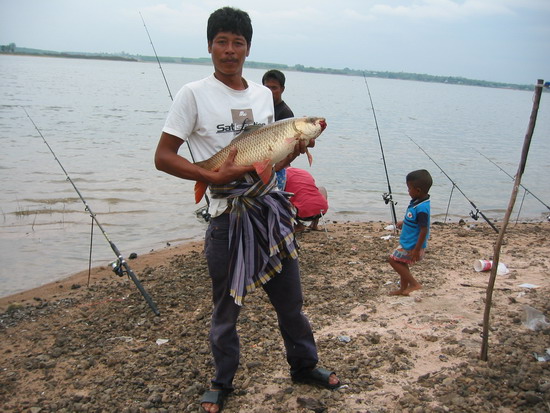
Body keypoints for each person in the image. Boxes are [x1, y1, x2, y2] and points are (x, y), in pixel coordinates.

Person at [154, 7, 341, 413]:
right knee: (227, 307)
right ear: (210, 46)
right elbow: (164, 157)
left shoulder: (261, 95)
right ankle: (222, 382)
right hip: (226, 217)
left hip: (270, 213)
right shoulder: (192, 94)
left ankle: (304, 364)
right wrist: (212, 177)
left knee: (290, 300)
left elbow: (270, 161)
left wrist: (294, 149)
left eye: (238, 42)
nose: (229, 50)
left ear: (248, 48)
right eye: (221, 41)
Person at [388, 169, 432, 296]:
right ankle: (403, 289)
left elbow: (424, 229)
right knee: (402, 263)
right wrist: (404, 223)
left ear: (417, 190)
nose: (408, 191)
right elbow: (414, 220)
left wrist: (417, 249)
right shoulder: (417, 202)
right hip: (408, 242)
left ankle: (414, 284)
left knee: (393, 260)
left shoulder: (422, 208)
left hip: (412, 245)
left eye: (409, 189)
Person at [262, 69, 294, 191]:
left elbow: (289, 148)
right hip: (261, 162)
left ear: (282, 89)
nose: (270, 92)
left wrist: (277, 167)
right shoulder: (261, 109)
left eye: (274, 88)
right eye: (267, 88)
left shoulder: (285, 113)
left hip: (278, 167)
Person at [284, 166, 329, 232]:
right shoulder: (303, 172)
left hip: (302, 214)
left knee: (280, 198)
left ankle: (298, 225)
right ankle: (314, 224)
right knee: (321, 189)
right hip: (321, 211)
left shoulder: (282, 175)